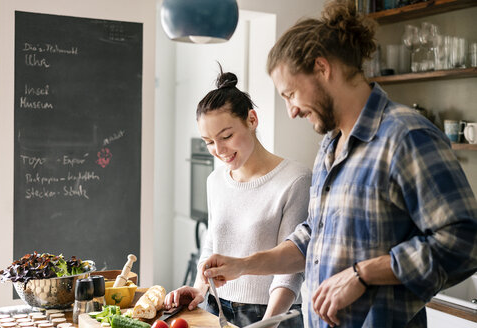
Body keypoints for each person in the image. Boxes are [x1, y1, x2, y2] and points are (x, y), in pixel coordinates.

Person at [200, 1, 477, 327]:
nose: (291, 110)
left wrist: (363, 274)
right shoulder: (331, 146)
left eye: (290, 94)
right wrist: (244, 265)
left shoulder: (406, 135)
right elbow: (310, 238)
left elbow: (465, 242)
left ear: (322, 68)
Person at [164, 66, 312, 328]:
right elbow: (212, 245)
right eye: (209, 141)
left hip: (272, 314)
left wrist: (268, 323)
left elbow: (291, 267)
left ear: (252, 120)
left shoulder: (295, 179)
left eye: (227, 136)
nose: (219, 150)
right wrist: (200, 290)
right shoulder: (215, 181)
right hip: (216, 308)